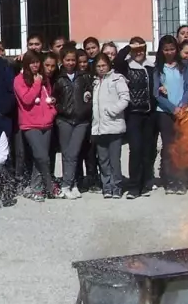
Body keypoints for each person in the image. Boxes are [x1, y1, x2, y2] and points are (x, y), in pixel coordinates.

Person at [153, 35, 188, 194]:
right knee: (169, 147)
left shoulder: (184, 66)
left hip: (183, 112)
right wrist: (172, 108)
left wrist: (182, 106)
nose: (169, 52)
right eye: (166, 50)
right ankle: (170, 180)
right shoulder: (158, 68)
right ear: (161, 51)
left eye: (172, 49)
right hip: (165, 113)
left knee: (182, 147)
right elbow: (156, 94)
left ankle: (181, 180)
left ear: (176, 49)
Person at [13, 50, 56, 202]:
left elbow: (48, 95)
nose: (35, 65)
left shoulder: (43, 78)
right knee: (41, 156)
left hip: (47, 122)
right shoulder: (19, 79)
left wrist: (52, 110)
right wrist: (37, 83)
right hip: (30, 124)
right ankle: (50, 186)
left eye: (37, 61)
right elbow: (27, 99)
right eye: (32, 62)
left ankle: (37, 188)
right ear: (26, 63)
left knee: (41, 159)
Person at [119, 37, 157, 198]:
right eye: (136, 49)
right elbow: (117, 60)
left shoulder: (151, 66)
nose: (139, 52)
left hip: (149, 114)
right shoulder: (126, 66)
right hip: (133, 114)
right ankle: (134, 187)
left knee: (148, 150)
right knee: (135, 149)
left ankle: (145, 182)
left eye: (142, 49)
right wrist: (129, 47)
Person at [53, 47, 92, 199]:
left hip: (81, 120)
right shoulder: (58, 78)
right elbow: (53, 96)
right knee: (66, 153)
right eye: (67, 60)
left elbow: (90, 94)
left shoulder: (83, 76)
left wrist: (85, 108)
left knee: (74, 153)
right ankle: (71, 183)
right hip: (64, 119)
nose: (70, 63)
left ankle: (67, 184)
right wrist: (59, 108)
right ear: (62, 61)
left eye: (73, 60)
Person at [90, 53, 129, 199]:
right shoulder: (95, 82)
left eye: (103, 65)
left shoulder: (117, 79)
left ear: (109, 65)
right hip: (99, 128)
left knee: (114, 160)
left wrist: (112, 110)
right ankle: (106, 186)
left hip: (114, 126)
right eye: (98, 66)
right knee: (103, 160)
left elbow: (125, 98)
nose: (101, 68)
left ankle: (117, 186)